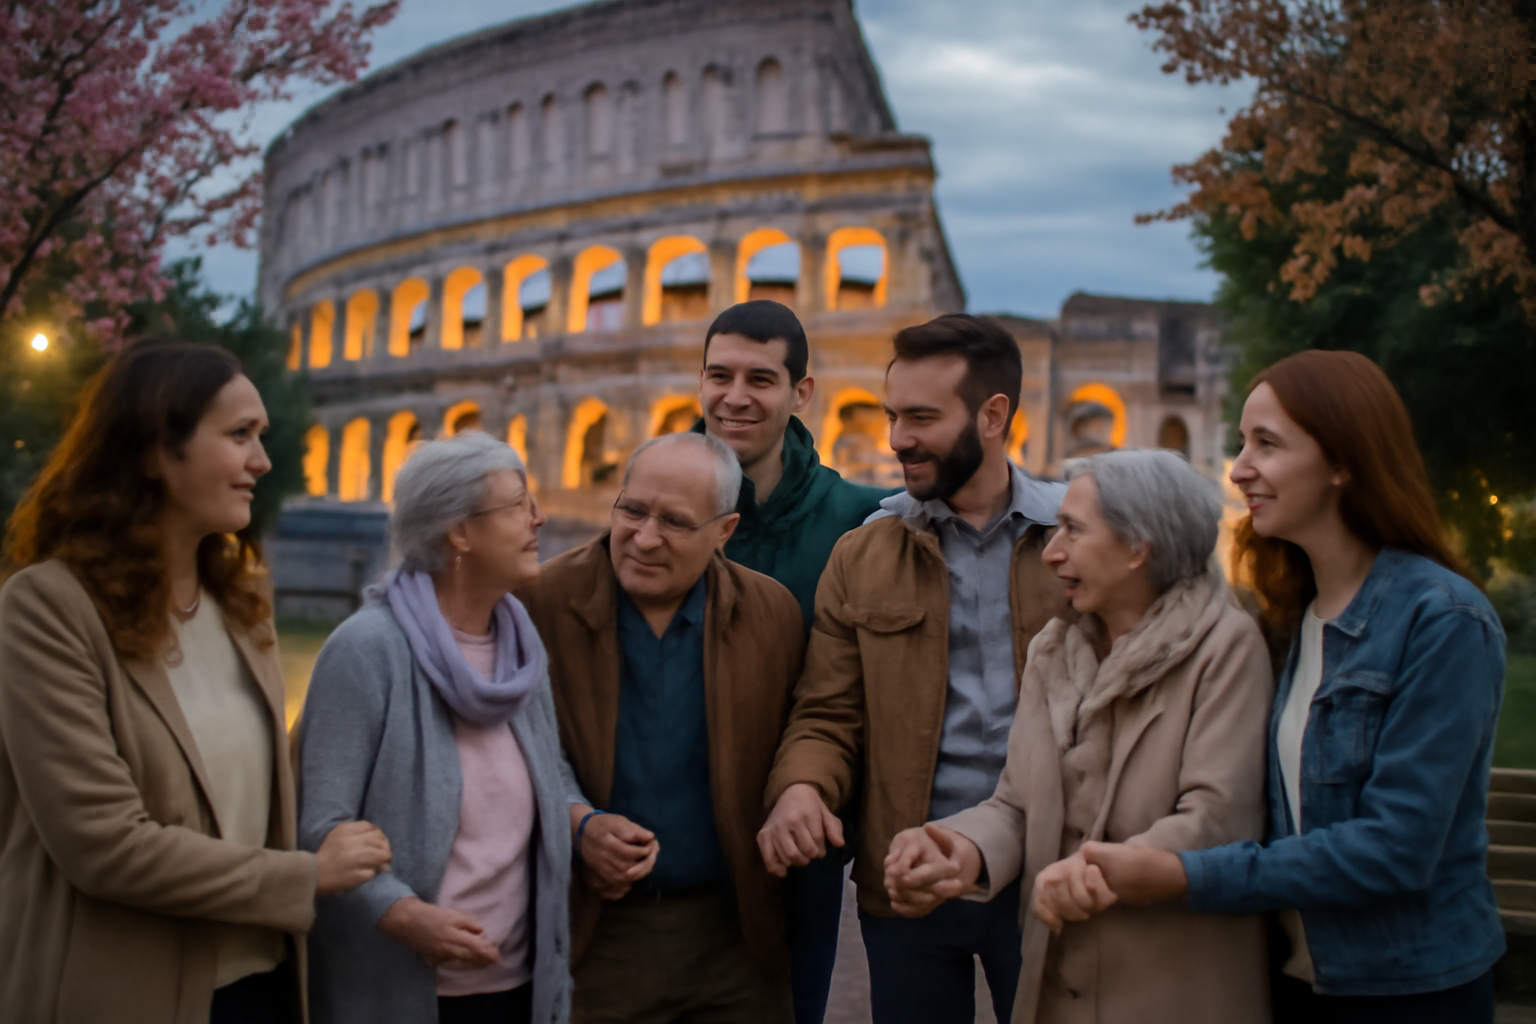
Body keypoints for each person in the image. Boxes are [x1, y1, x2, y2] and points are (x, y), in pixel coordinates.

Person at [1076, 350, 1506, 1024]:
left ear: (1343, 463)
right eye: (1243, 442)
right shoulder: (1287, 619)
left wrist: (1187, 875)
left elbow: (1396, 849)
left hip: (1408, 990)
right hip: (1297, 982)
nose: (1239, 467)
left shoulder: (1442, 620)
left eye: (1267, 445)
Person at [0, 341, 391, 1024]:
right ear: (154, 450)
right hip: (121, 988)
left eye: (261, 437)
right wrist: (307, 876)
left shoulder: (242, 604)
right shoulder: (48, 608)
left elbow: (264, 793)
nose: (262, 462)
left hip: (263, 985)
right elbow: (103, 843)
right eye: (239, 435)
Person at [883, 449, 1275, 1024]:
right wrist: (957, 849)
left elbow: (1216, 821)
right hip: (1058, 986)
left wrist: (1092, 872)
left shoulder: (1227, 648)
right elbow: (1017, 804)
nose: (1051, 552)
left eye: (1072, 530)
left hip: (1172, 990)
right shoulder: (1053, 649)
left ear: (1139, 547)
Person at [759, 314, 1068, 1024]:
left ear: (994, 417)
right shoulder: (863, 554)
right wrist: (802, 786)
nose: (897, 438)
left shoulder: (1076, 543)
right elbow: (828, 711)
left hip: (1050, 870)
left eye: (921, 417)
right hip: (909, 876)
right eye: (894, 414)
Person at [517, 431, 805, 1024]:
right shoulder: (542, 602)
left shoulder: (771, 614)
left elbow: (807, 729)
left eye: (674, 522)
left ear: (725, 531)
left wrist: (803, 789)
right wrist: (578, 824)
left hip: (734, 938)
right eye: (633, 510)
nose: (644, 539)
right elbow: (510, 746)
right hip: (595, 930)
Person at [297, 431, 575, 1024]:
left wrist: (592, 824)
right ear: (459, 531)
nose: (540, 517)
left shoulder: (520, 645)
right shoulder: (365, 650)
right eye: (519, 505)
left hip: (519, 986)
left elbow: (549, 774)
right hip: (402, 990)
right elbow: (320, 824)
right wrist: (403, 913)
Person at [691, 299, 894, 1024]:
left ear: (801, 392)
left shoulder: (862, 515)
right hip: (675, 823)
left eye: (760, 378)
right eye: (719, 375)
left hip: (803, 832)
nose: (735, 396)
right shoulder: (657, 499)